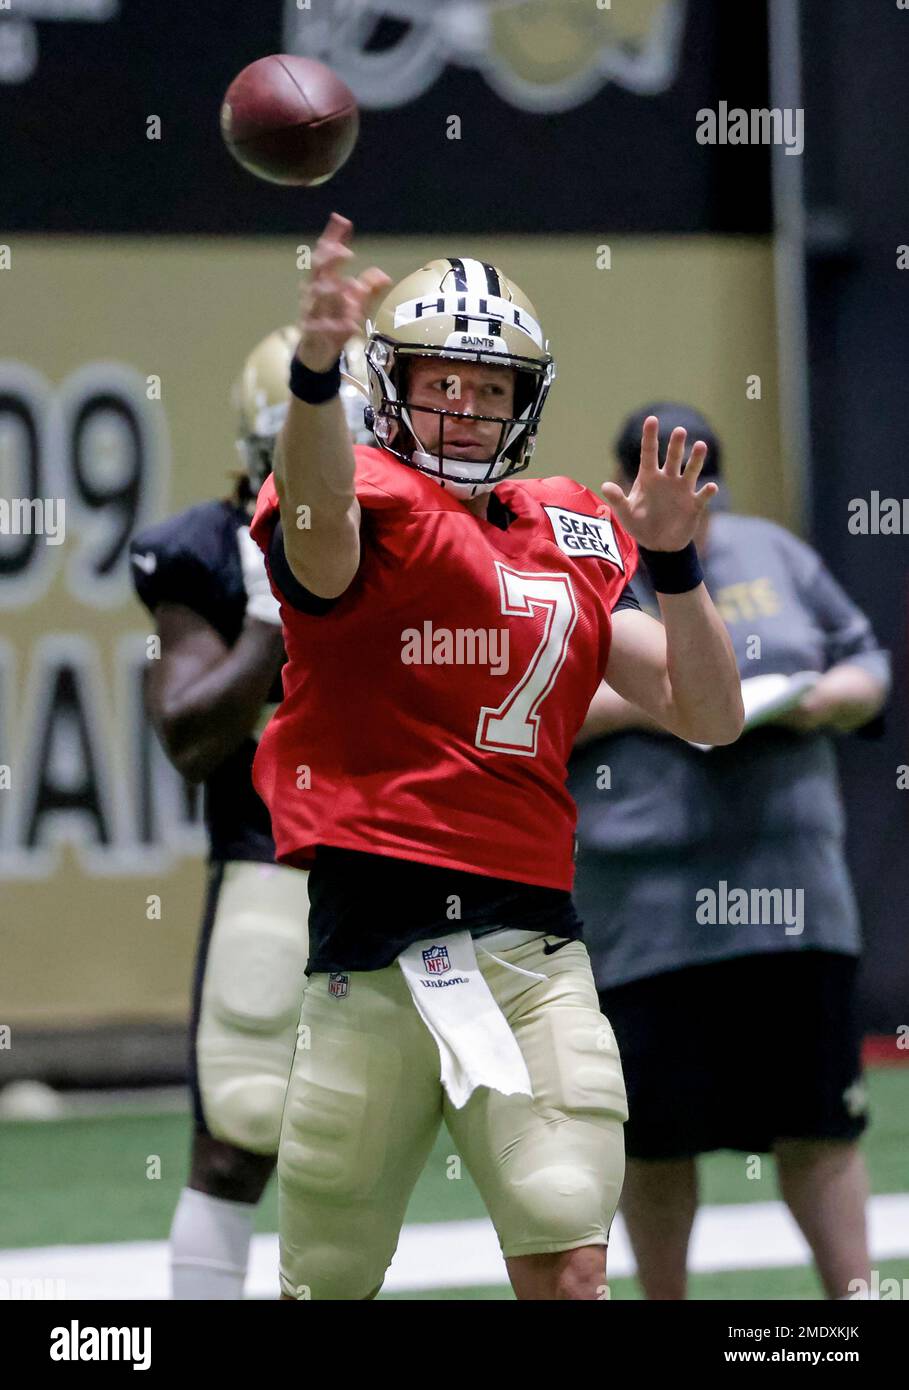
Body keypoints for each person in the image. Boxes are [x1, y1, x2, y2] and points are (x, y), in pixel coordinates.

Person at [248, 214, 744, 1301]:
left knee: (570, 1262)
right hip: (370, 946)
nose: (465, 408)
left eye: (490, 387)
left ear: (527, 403)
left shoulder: (568, 526)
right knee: (324, 1281)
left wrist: (674, 563)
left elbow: (709, 712)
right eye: (442, 381)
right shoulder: (364, 495)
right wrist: (315, 376)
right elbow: (321, 534)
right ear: (394, 383)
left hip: (530, 947)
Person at [569, 402, 891, 1301]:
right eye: (656, 467)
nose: (679, 483)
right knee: (655, 1138)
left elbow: (868, 663)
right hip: (647, 917)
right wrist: (685, 702)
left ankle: (854, 1309)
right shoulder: (587, 571)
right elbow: (540, 713)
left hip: (792, 904)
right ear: (623, 479)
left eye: (695, 465)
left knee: (818, 1124)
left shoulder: (776, 553)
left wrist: (821, 698)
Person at [129, 326, 370, 1299]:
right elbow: (189, 737)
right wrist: (272, 618)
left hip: (416, 869)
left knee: (394, 1150)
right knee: (238, 1132)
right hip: (273, 854)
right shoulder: (204, 553)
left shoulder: (426, 532)